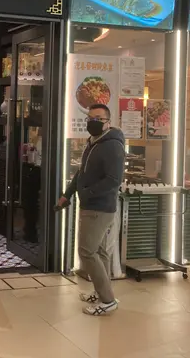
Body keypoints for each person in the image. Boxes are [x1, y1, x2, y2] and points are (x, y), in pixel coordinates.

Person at [58, 103, 125, 316]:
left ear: (108, 122)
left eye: (98, 119)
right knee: (100, 251)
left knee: (86, 252)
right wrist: (68, 194)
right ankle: (101, 291)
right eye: (89, 118)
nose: (92, 122)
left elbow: (114, 180)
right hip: (92, 205)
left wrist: (87, 193)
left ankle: (108, 300)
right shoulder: (93, 142)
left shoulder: (112, 146)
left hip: (99, 208)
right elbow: (82, 173)